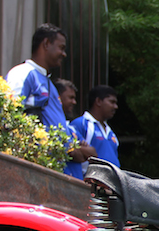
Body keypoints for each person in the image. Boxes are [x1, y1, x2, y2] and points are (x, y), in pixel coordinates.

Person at [5, 23, 93, 178]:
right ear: (46, 44)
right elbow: (9, 114)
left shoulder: (50, 84)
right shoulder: (23, 73)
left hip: (52, 169)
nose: (64, 54)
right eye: (61, 47)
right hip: (32, 168)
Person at [70, 85, 121, 175]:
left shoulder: (110, 132)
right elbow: (72, 152)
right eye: (112, 102)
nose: (115, 107)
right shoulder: (81, 124)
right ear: (98, 101)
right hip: (90, 183)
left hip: (112, 184)